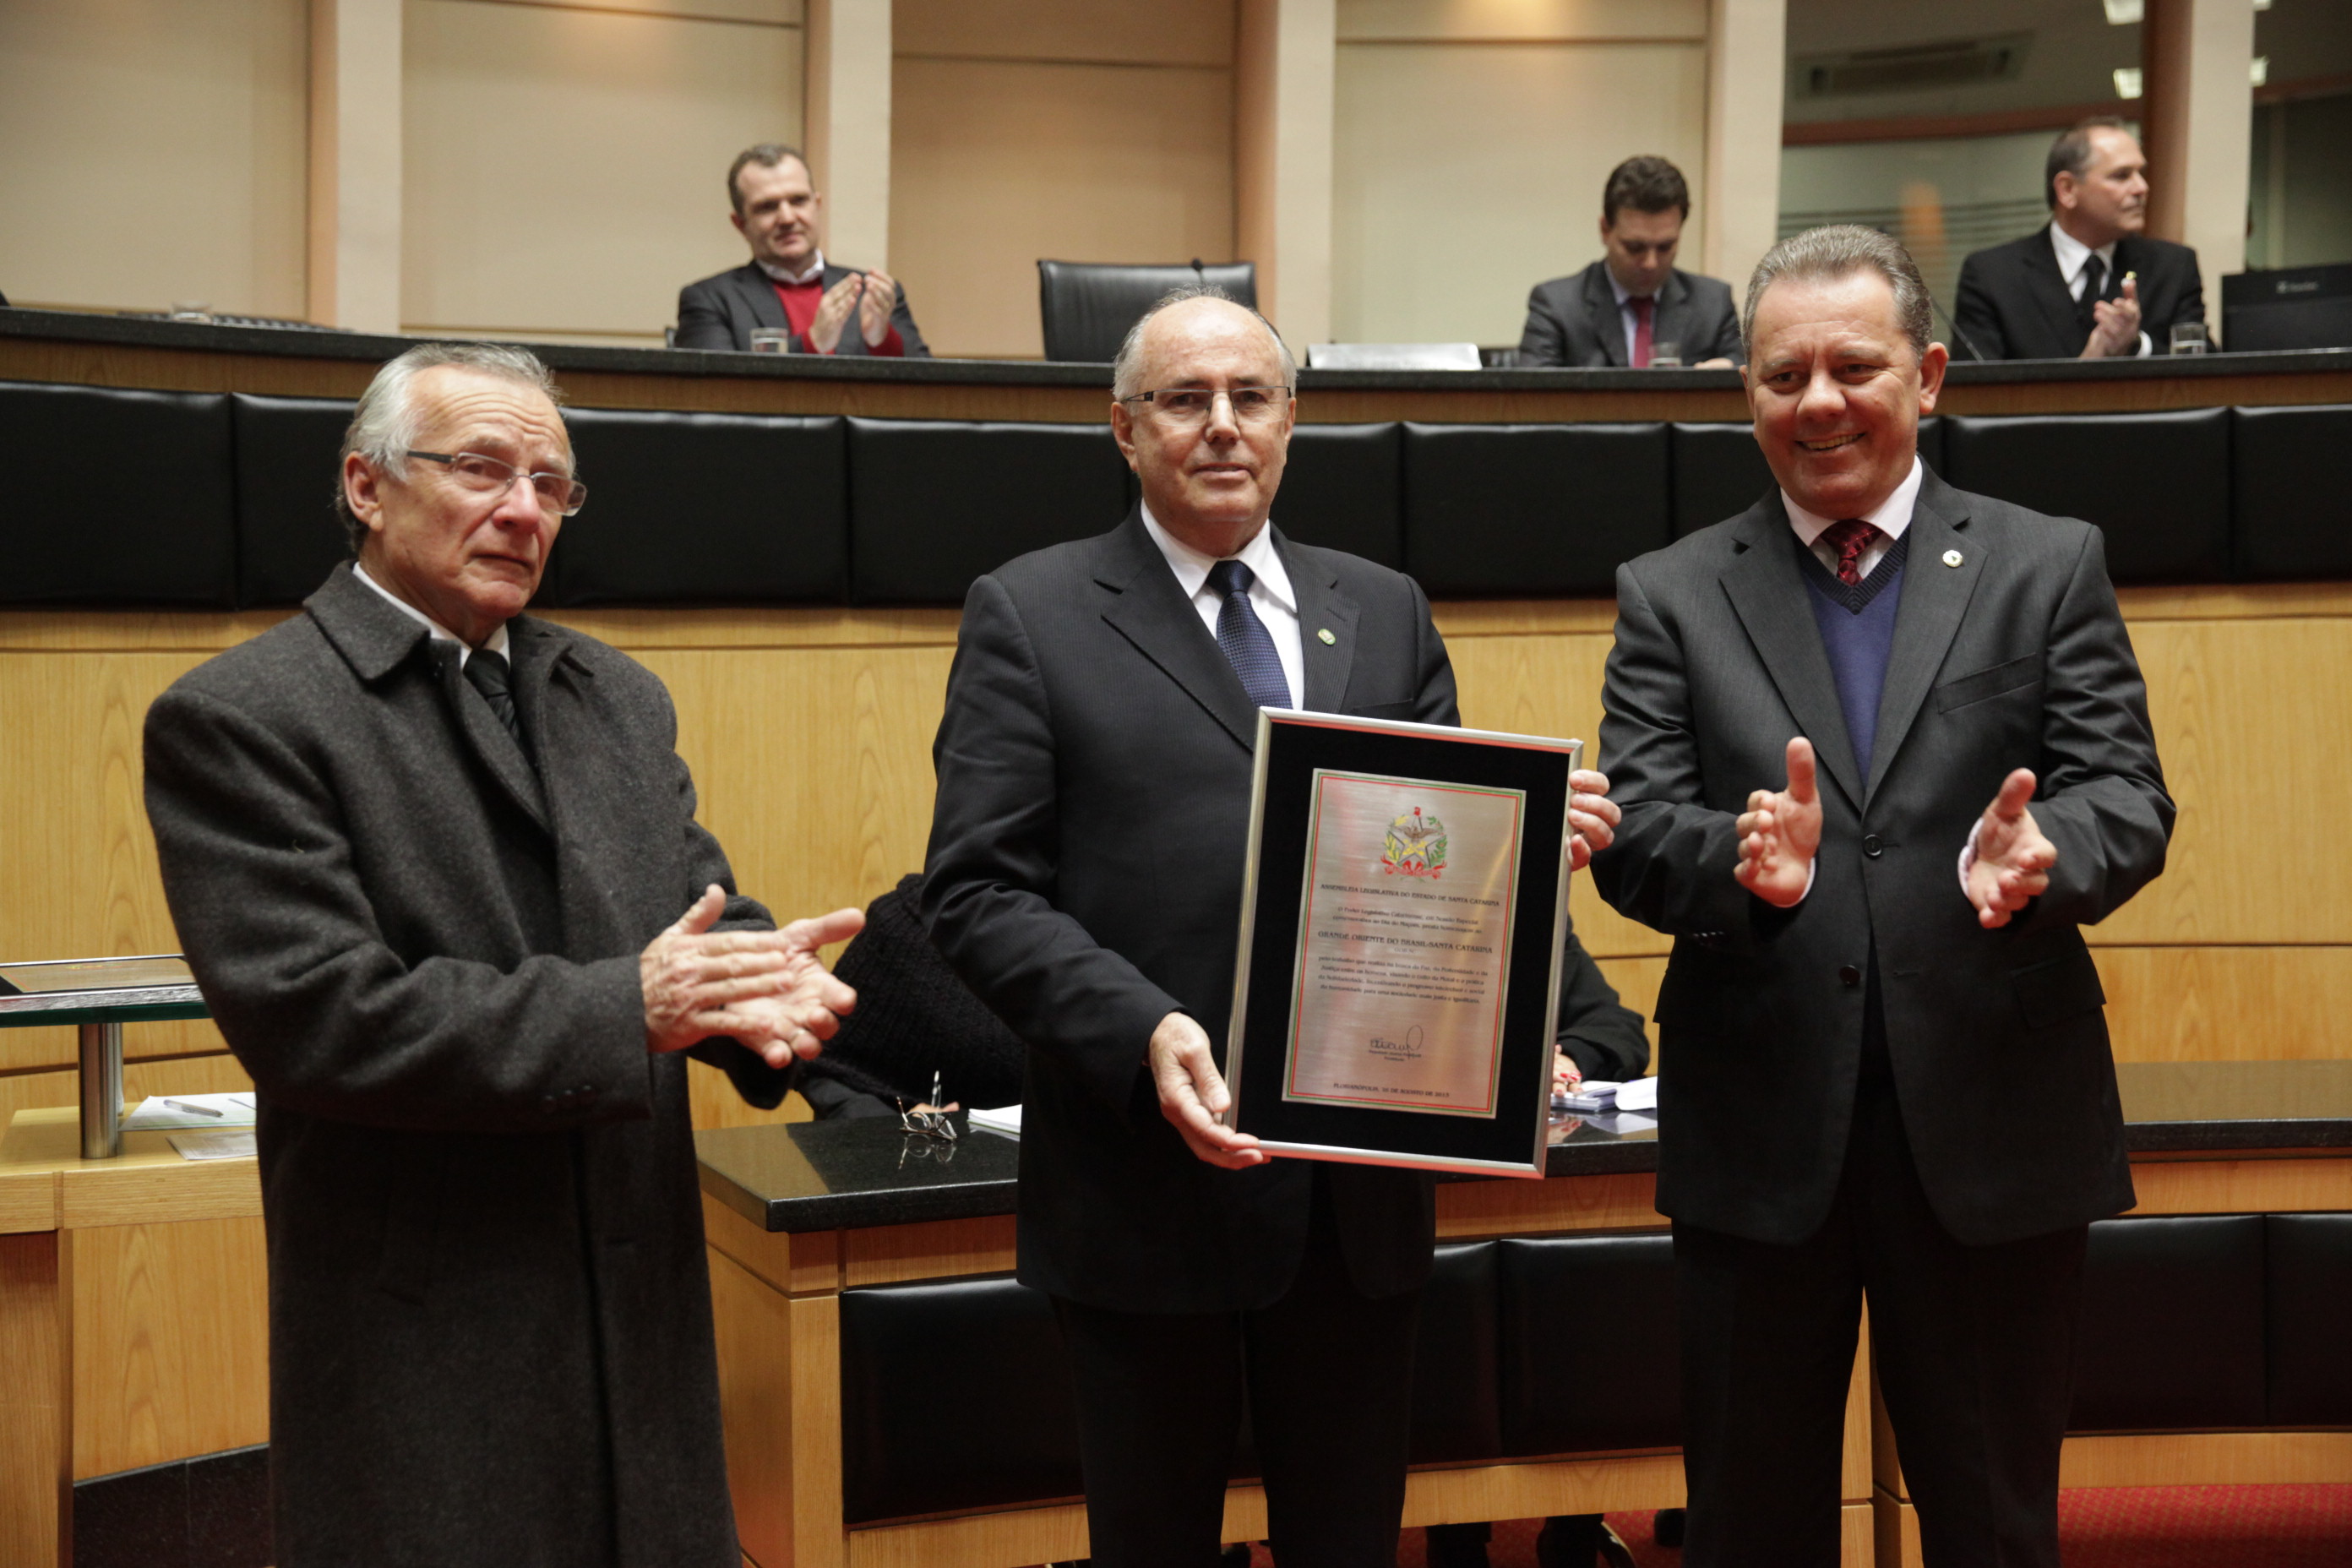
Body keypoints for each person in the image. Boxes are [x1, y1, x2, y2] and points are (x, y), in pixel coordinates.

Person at [922, 287, 1619, 1567]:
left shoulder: (1387, 606)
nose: (1223, 426)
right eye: (1186, 400)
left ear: (1293, 420)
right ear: (1124, 430)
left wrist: (1517, 869)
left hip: (1354, 1211)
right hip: (1141, 1193)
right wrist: (1143, 1029)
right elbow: (972, 894)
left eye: (1252, 397)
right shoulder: (1032, 611)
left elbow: (1429, 874)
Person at [143, 341, 865, 1566]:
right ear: (367, 487)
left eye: (552, 484)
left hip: (639, 1325)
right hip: (431, 1338)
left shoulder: (613, 695)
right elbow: (324, 1018)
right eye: (482, 468)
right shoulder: (245, 718)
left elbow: (689, 904)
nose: (524, 510)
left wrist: (762, 987)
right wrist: (628, 1007)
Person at [1592, 226, 2172, 1567]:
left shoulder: (2047, 562)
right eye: (1783, 373)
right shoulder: (1671, 594)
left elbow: (2125, 795)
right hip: (1760, 1126)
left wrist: (2049, 860)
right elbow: (1636, 838)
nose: (1819, 401)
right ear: (1747, 393)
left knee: (1992, 1515)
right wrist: (1741, 866)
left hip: (1993, 1116)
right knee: (1749, 1518)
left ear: (1930, 376)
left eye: (1854, 366)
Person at [1952, 117, 2207, 360]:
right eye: (2121, 175)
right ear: (2067, 189)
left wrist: (2136, 345)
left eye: (2141, 173)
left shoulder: (2173, 266)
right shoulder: (1993, 274)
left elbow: (2206, 369)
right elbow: (1976, 392)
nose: (2142, 188)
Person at [675, 142, 930, 357]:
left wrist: (882, 340)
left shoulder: (875, 294)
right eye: (767, 207)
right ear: (740, 224)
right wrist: (811, 343)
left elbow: (932, 393)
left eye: (798, 201)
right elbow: (712, 394)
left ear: (817, 205)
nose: (787, 218)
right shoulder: (709, 300)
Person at [1519, 156, 1743, 369]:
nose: (1650, 263)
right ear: (1605, 230)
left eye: (1665, 246)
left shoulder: (1713, 304)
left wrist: (1725, 376)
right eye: (1635, 248)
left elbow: (1744, 380)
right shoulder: (1556, 306)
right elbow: (1532, 401)